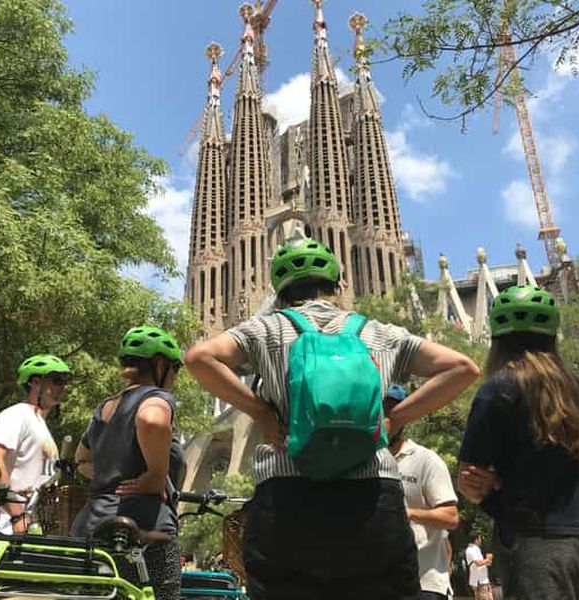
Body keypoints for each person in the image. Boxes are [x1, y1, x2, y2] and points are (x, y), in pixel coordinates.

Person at [185, 237, 480, 600]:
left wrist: (260, 410)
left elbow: (199, 358)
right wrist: (395, 418)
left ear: (280, 289)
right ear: (338, 285)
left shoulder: (268, 329)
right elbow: (462, 367)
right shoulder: (376, 332)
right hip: (373, 499)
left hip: (288, 499)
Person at [457, 285, 579, 600]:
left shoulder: (499, 390)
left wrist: (493, 486)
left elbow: (470, 480)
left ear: (497, 342)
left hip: (539, 549)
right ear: (552, 337)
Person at [70, 326, 185, 600]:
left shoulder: (105, 408)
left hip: (90, 529)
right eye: (176, 368)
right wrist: (156, 476)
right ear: (160, 364)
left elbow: (80, 460)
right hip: (142, 531)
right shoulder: (156, 397)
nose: (176, 377)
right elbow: (152, 420)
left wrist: (114, 473)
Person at [0, 354, 72, 539]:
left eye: (67, 381)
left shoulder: (41, 425)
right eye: (58, 380)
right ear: (36, 382)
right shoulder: (16, 414)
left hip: (31, 529)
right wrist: (16, 514)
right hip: (4, 529)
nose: (64, 387)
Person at [385, 384, 459, 600]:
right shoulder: (364, 461)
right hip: (379, 582)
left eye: (394, 410)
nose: (387, 416)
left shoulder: (425, 461)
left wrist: (409, 513)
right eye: (381, 409)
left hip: (424, 583)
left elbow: (451, 517)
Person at [464, 532, 493, 600]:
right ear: (475, 540)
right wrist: (487, 559)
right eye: (479, 538)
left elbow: (482, 563)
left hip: (483, 579)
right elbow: (477, 563)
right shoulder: (470, 549)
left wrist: (487, 561)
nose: (480, 540)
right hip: (479, 580)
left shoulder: (476, 549)